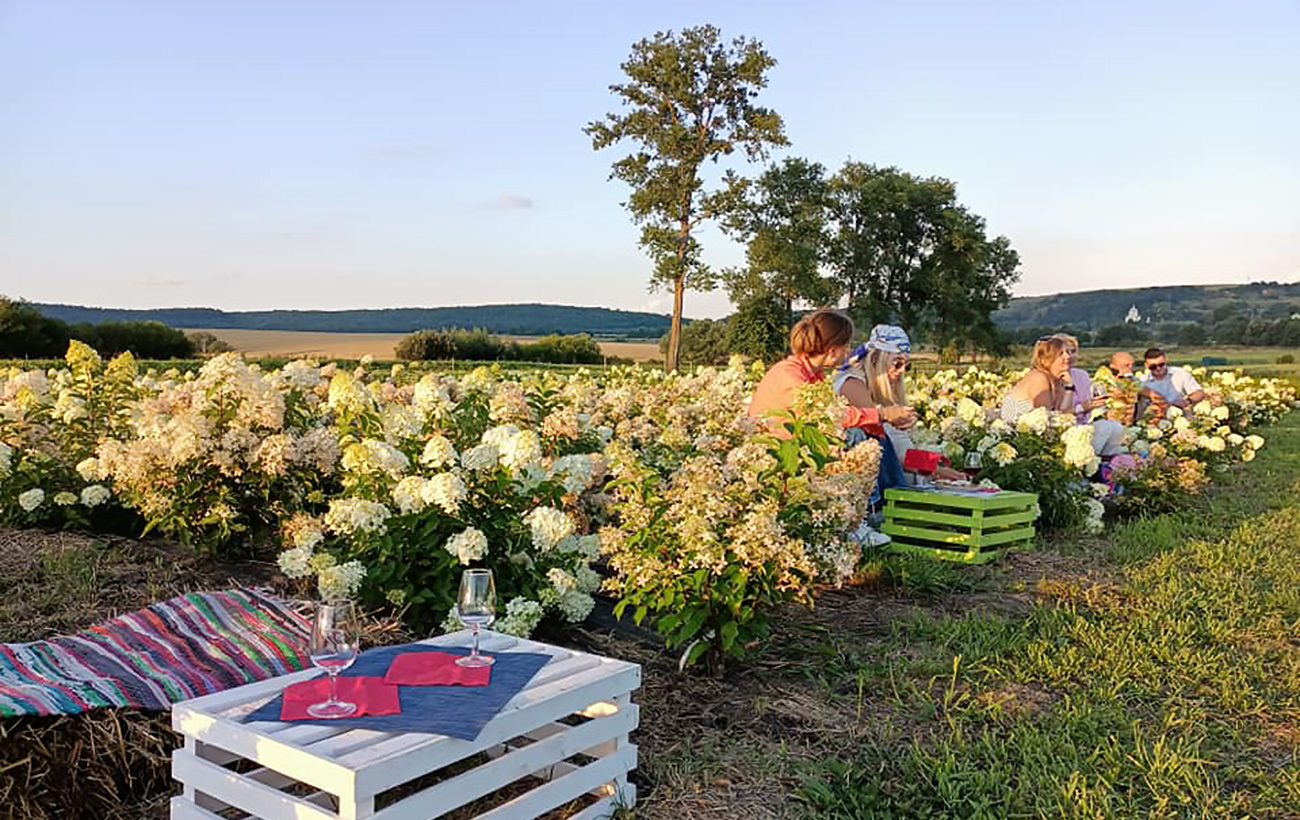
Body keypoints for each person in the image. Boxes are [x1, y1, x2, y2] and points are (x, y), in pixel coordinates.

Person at [747, 309, 894, 546]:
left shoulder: (811, 374)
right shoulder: (789, 374)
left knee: (865, 435)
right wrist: (881, 414)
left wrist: (875, 421)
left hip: (797, 446)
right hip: (775, 453)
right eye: (846, 346)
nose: (848, 352)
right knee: (854, 436)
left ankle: (863, 514)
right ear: (832, 349)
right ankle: (856, 522)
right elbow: (830, 417)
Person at [834, 324, 965, 482]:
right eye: (897, 363)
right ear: (876, 360)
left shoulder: (882, 388)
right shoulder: (853, 385)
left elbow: (898, 447)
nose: (902, 370)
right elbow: (884, 445)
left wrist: (934, 465)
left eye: (906, 365)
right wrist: (934, 469)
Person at [1001, 336, 1127, 457]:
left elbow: (1062, 415)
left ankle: (1106, 467)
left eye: (1068, 352)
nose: (1068, 356)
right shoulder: (1039, 378)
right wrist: (1082, 408)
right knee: (1103, 429)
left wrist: (1069, 386)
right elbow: (1045, 418)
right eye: (1061, 354)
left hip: (1041, 436)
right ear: (1046, 360)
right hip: (1019, 440)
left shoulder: (1058, 380)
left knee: (1113, 428)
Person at [1137, 347, 1207, 410]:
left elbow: (1199, 393)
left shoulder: (1180, 373)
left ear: (1166, 361)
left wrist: (1188, 401)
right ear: (1146, 366)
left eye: (1161, 365)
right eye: (1153, 367)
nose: (1158, 368)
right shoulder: (1142, 381)